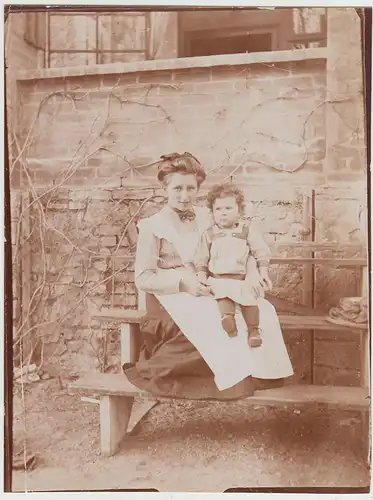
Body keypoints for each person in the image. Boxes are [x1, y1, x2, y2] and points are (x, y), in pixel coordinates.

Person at [123, 152, 293, 400]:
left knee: (260, 308)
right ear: (165, 188)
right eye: (177, 188)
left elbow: (243, 249)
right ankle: (222, 379)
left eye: (191, 188)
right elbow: (144, 279)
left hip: (210, 281)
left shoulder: (208, 216)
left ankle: (259, 373)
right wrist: (184, 283)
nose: (184, 196)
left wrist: (253, 276)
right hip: (169, 293)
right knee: (213, 317)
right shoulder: (152, 226)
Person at [193, 183, 271, 347]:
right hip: (218, 278)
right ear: (212, 212)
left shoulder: (246, 231)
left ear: (239, 210)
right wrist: (201, 275)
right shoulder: (209, 234)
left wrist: (263, 272)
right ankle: (228, 322)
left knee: (250, 301)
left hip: (241, 279)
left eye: (228, 208)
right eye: (218, 209)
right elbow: (201, 257)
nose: (223, 213)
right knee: (223, 298)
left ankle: (253, 331)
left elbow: (260, 251)